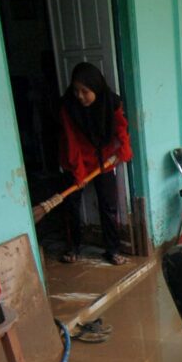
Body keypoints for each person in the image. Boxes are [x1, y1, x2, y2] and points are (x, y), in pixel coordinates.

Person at [59, 62, 132, 265]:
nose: (80, 96)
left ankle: (112, 249)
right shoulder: (67, 106)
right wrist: (78, 172)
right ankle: (73, 247)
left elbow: (121, 127)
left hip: (104, 159)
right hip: (75, 160)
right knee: (71, 204)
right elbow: (71, 142)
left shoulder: (112, 102)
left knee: (109, 205)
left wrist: (124, 149)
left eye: (85, 91)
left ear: (96, 88)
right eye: (76, 91)